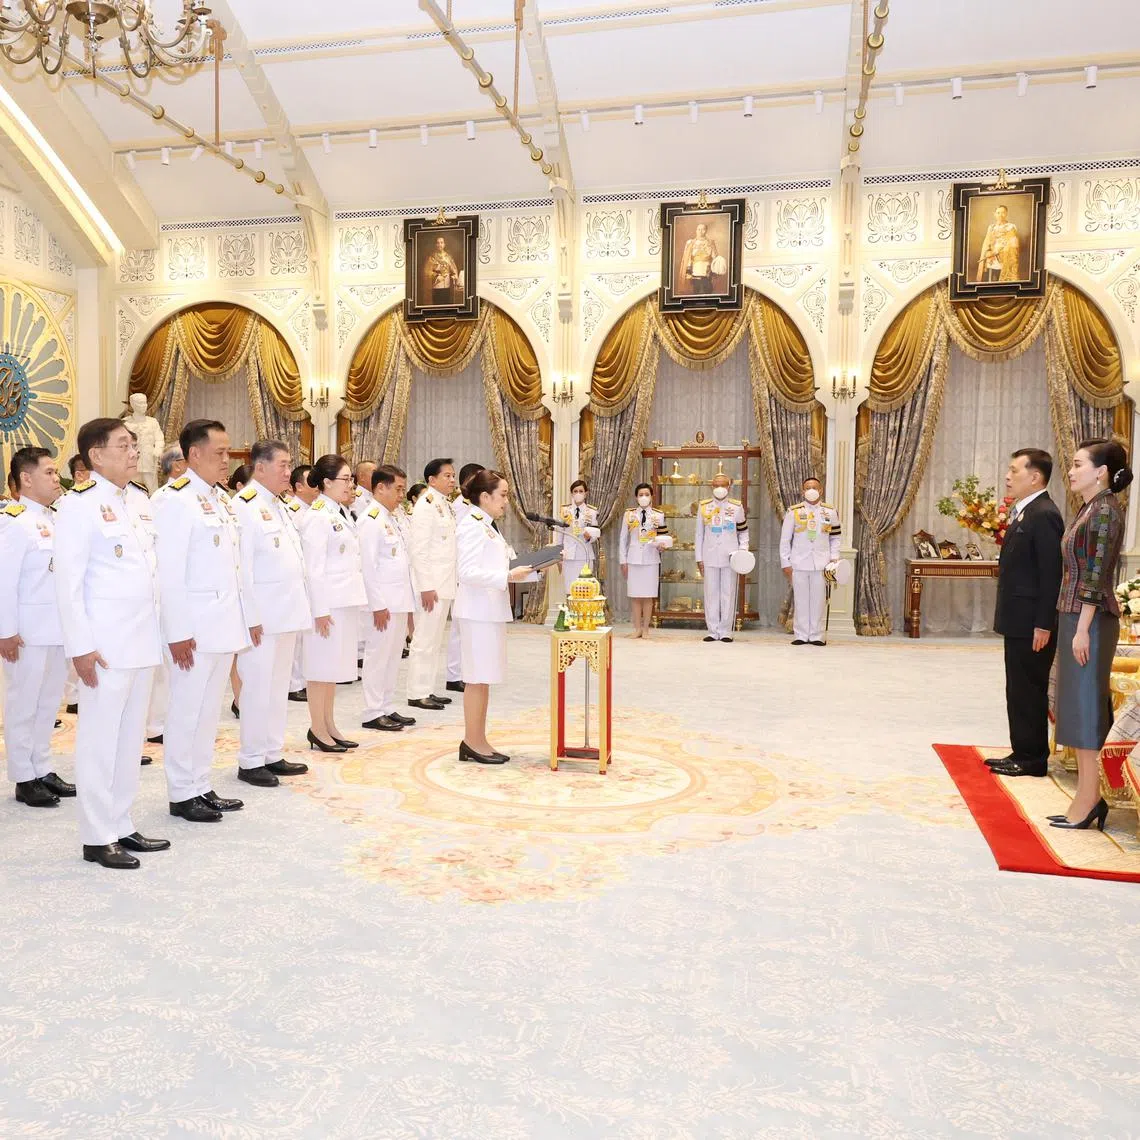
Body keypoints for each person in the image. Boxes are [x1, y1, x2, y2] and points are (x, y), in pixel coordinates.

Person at [54, 418, 168, 868]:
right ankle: (97, 835)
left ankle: (121, 823)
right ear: (96, 455)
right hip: (103, 646)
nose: (135, 452)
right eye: (124, 445)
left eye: (135, 445)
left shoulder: (139, 500)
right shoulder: (78, 505)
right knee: (100, 741)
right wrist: (80, 646)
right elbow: (69, 582)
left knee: (128, 741)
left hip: (141, 641)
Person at [153, 419, 250, 824]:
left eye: (228, 452)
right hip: (192, 629)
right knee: (186, 709)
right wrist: (177, 632)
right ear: (194, 455)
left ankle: (200, 783)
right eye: (220, 453)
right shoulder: (173, 500)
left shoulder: (219, 499)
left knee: (209, 711)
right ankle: (181, 791)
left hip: (221, 624)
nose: (228, 460)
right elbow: (168, 573)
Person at [1049, 439, 1131, 831]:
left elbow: (1097, 576)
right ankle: (1085, 795)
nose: (1071, 470)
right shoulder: (1090, 508)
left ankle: (1089, 799)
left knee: (1086, 710)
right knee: (1074, 708)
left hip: (1090, 621)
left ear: (1100, 472)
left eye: (1078, 464)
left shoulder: (1106, 512)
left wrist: (1082, 629)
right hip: (1075, 616)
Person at [454, 469, 550, 763]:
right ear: (485, 497)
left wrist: (536, 565)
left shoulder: (487, 524)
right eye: (503, 495)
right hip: (477, 610)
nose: (506, 502)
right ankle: (471, 741)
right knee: (476, 678)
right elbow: (466, 572)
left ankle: (479, 738)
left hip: (489, 609)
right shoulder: (471, 525)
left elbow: (505, 562)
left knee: (484, 678)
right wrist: (508, 574)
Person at [231, 440, 313, 787]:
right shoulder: (244, 506)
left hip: (286, 612)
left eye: (289, 463)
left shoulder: (278, 505)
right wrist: (250, 617)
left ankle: (271, 752)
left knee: (278, 688)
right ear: (260, 467)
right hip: (262, 618)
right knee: (257, 687)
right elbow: (241, 569)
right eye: (282, 464)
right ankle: (250, 760)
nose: (287, 471)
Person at [0, 447, 75, 808]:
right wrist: (6, 630)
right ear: (25, 479)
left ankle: (42, 765)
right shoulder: (14, 522)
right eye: (48, 472)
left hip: (57, 628)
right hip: (27, 631)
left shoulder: (56, 518)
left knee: (49, 703)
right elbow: (5, 582)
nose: (55, 478)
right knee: (23, 703)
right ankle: (22, 776)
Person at [987, 449, 1064, 779]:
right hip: (1019, 617)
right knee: (1017, 688)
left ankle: (1033, 759)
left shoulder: (1043, 513)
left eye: (1014, 470)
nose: (1007, 476)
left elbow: (1051, 574)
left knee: (1029, 688)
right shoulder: (1025, 512)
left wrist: (1043, 623)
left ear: (1035, 477)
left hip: (1033, 621)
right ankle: (1022, 750)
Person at [299, 454, 367, 752]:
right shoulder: (316, 517)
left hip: (344, 601)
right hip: (327, 605)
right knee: (320, 669)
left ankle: (329, 725)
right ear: (326, 482)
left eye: (352, 479)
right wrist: (320, 610)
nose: (350, 484)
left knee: (334, 669)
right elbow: (313, 568)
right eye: (346, 479)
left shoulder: (339, 512)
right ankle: (317, 728)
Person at [359, 464, 417, 733]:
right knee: (377, 656)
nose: (401, 495)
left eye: (403, 490)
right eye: (397, 489)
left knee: (393, 656)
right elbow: (367, 566)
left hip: (399, 599)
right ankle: (372, 711)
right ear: (380, 487)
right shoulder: (370, 519)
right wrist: (377, 604)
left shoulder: (390, 517)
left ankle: (385, 705)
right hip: (383, 603)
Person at [406, 457, 459, 711]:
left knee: (435, 640)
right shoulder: (426, 506)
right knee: (423, 639)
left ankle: (427, 688)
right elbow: (419, 550)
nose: (452, 480)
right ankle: (416, 692)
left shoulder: (444, 505)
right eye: (447, 476)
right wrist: (426, 586)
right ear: (432, 479)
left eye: (453, 475)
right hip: (431, 586)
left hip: (445, 583)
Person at [780, 477, 841, 646]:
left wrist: (834, 558)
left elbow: (835, 537)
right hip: (799, 562)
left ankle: (816, 635)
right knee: (800, 600)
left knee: (819, 601)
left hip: (822, 563)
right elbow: (785, 540)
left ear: (820, 490)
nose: (811, 490)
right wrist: (785, 563)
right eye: (808, 487)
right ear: (802, 491)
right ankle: (800, 634)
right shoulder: (793, 511)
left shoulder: (830, 511)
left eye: (814, 487)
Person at [446, 461, 486, 695]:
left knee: (465, 628)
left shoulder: (475, 506)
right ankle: (454, 674)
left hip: (470, 571)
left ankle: (460, 672)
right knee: (459, 627)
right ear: (468, 482)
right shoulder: (459, 507)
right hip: (461, 572)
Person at [696, 472, 749, 643]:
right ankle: (712, 630)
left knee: (728, 592)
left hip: (731, 556)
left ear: (729, 486)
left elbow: (743, 532)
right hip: (709, 555)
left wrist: (742, 552)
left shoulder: (736, 506)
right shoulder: (703, 507)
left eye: (723, 484)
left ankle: (726, 631)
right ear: (712, 487)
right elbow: (699, 534)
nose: (720, 488)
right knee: (711, 593)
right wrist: (699, 558)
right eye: (716, 484)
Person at [619, 483, 668, 638]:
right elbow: (623, 539)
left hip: (651, 559)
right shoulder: (629, 515)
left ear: (651, 496)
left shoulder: (658, 515)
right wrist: (623, 561)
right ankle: (637, 628)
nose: (644, 497)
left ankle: (646, 629)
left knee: (648, 595)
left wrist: (661, 546)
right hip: (633, 559)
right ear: (636, 497)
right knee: (635, 595)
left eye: (647, 494)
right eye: (641, 494)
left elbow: (663, 538)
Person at [556, 479, 600, 592]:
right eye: (575, 491)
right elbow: (560, 534)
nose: (578, 493)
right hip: (569, 556)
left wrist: (589, 537)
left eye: (581, 491)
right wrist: (558, 556)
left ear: (586, 493)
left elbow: (595, 534)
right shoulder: (565, 511)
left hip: (585, 555)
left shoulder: (592, 512)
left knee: (585, 591)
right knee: (570, 591)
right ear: (571, 493)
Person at [123, 392, 165, 492]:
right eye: (140, 403)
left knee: (152, 489)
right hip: (132, 461)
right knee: (131, 488)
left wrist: (158, 450)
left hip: (149, 460)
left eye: (145, 403)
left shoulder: (152, 422)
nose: (144, 406)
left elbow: (160, 439)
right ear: (133, 405)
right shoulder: (125, 423)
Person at [975, 204, 1021, 283]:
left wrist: (995, 252)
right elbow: (987, 242)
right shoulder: (991, 227)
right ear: (994, 214)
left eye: (1003, 212)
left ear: (1006, 214)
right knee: (991, 277)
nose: (1000, 215)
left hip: (1005, 255)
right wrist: (987, 252)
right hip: (991, 256)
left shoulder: (1011, 227)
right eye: (998, 213)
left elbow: (1013, 244)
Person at [679, 221, 721, 296]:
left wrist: (714, 269)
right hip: (695, 270)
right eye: (698, 229)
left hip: (707, 270)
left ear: (706, 231)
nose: (700, 231)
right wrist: (688, 270)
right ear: (696, 231)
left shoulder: (711, 242)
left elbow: (715, 257)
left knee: (708, 290)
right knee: (696, 291)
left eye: (703, 229)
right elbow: (687, 258)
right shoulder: (690, 243)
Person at [426, 235, 460, 307]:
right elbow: (427, 271)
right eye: (438, 243)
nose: (440, 245)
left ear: (444, 244)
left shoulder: (448, 257)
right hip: (437, 284)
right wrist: (436, 276)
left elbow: (454, 269)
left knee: (446, 303)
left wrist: (455, 275)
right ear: (436, 245)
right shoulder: (432, 257)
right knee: (437, 304)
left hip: (447, 285)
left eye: (441, 242)